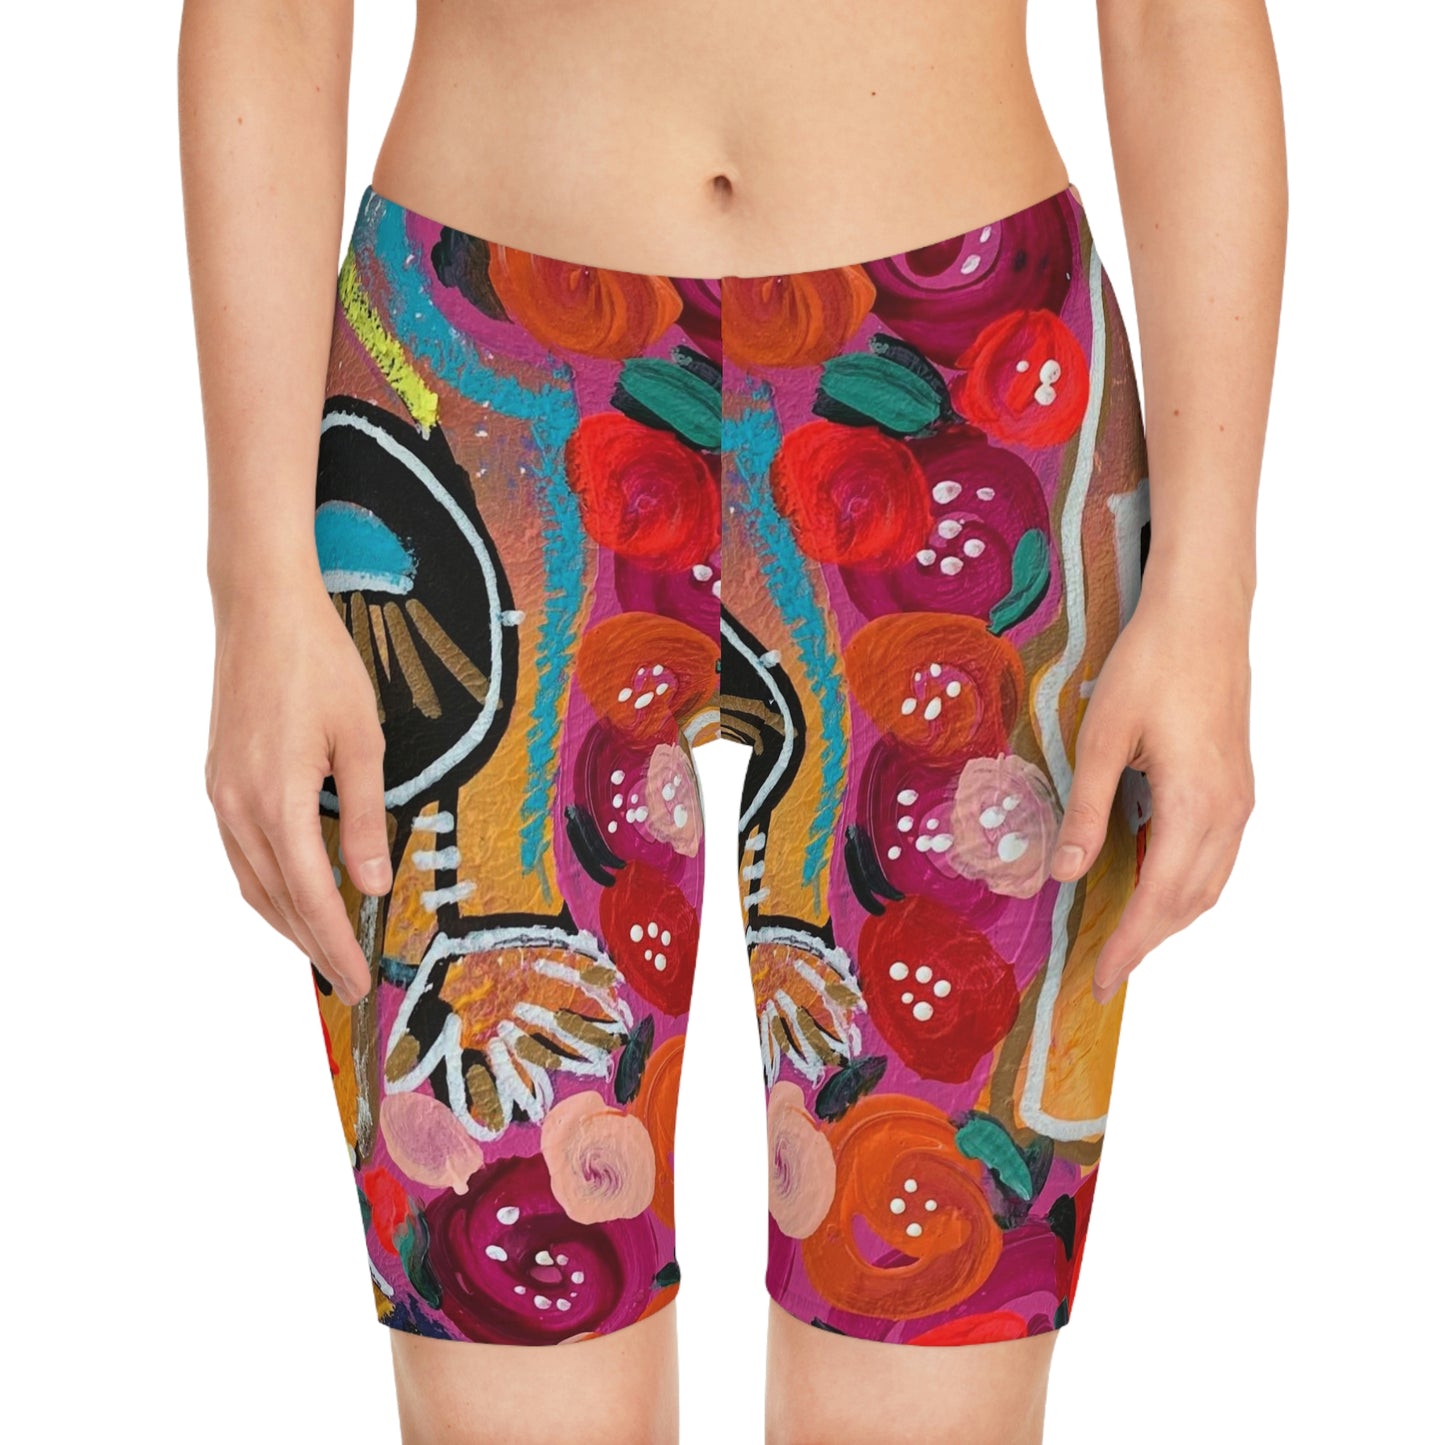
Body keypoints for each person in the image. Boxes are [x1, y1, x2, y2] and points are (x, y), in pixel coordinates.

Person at [177, 2, 1285, 1441]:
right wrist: (258, 581)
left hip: (966, 385)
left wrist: (1209, 590)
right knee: (508, 1341)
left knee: (928, 1330)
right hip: (477, 399)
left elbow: (1178, 22)